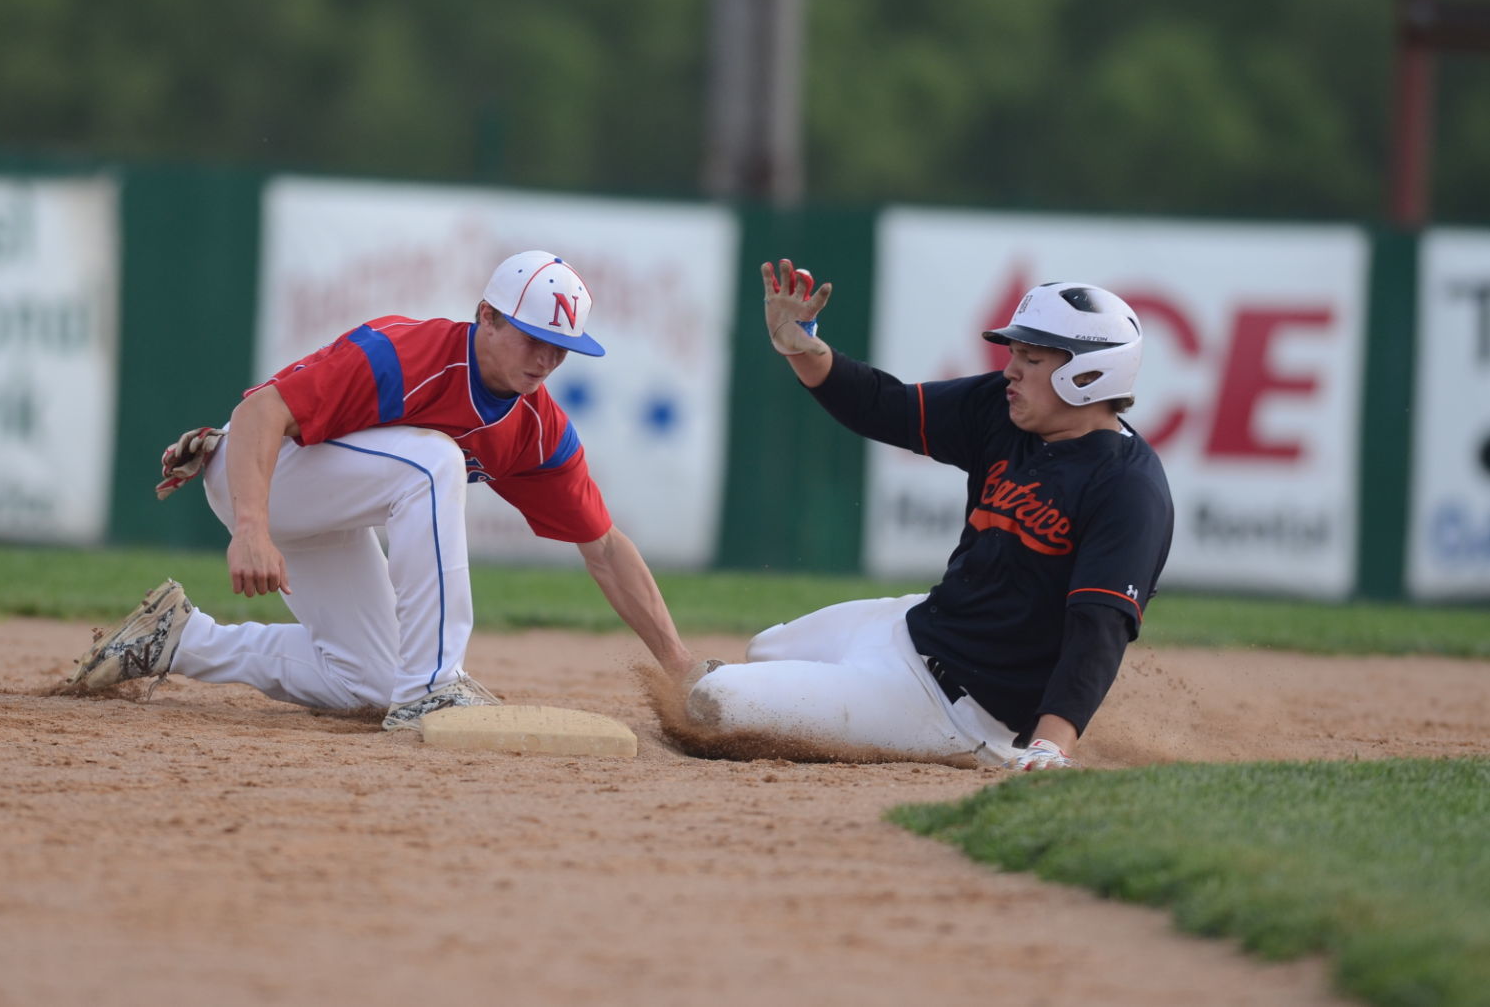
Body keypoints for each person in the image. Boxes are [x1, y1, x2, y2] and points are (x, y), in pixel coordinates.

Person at [65, 250, 703, 731]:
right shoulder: (405, 353)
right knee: (432, 461)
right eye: (534, 339)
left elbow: (605, 549)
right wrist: (251, 528)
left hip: (328, 508)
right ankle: (435, 685)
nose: (545, 361)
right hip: (262, 471)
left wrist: (678, 664)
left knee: (367, 682)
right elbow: (264, 410)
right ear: (486, 316)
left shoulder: (537, 430)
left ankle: (173, 639)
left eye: (561, 349)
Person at [685, 259, 1175, 770]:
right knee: (765, 650)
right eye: (1014, 354)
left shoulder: (1128, 489)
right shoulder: (1004, 411)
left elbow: (1098, 628)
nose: (1010, 370)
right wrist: (802, 346)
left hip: (957, 708)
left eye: (1030, 359)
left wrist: (1052, 745)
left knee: (713, 702)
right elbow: (884, 406)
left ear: (1089, 374)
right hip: (916, 627)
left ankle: (980, 745)